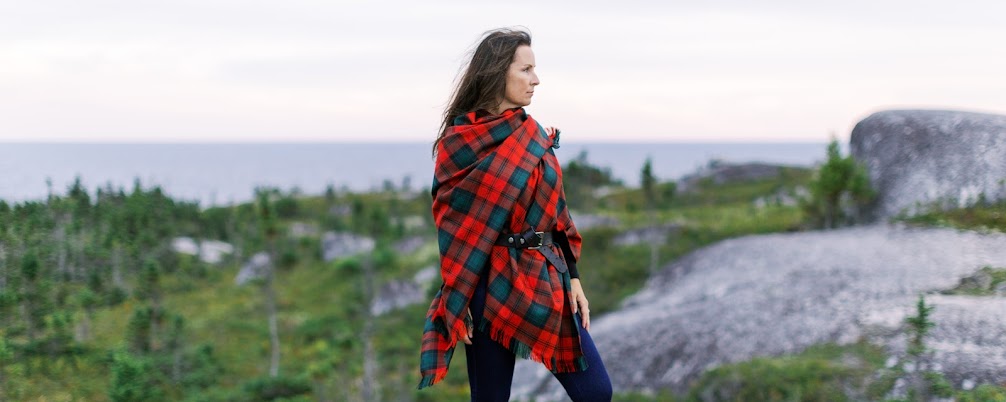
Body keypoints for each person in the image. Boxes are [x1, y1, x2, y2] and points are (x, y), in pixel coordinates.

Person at [417, 27, 613, 402]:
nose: (536, 80)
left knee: (595, 392)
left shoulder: (535, 135)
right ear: (496, 72)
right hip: (487, 288)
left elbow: (558, 212)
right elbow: (454, 231)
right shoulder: (459, 143)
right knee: (490, 398)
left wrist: (573, 278)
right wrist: (459, 299)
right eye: (525, 70)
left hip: (543, 275)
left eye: (534, 70)